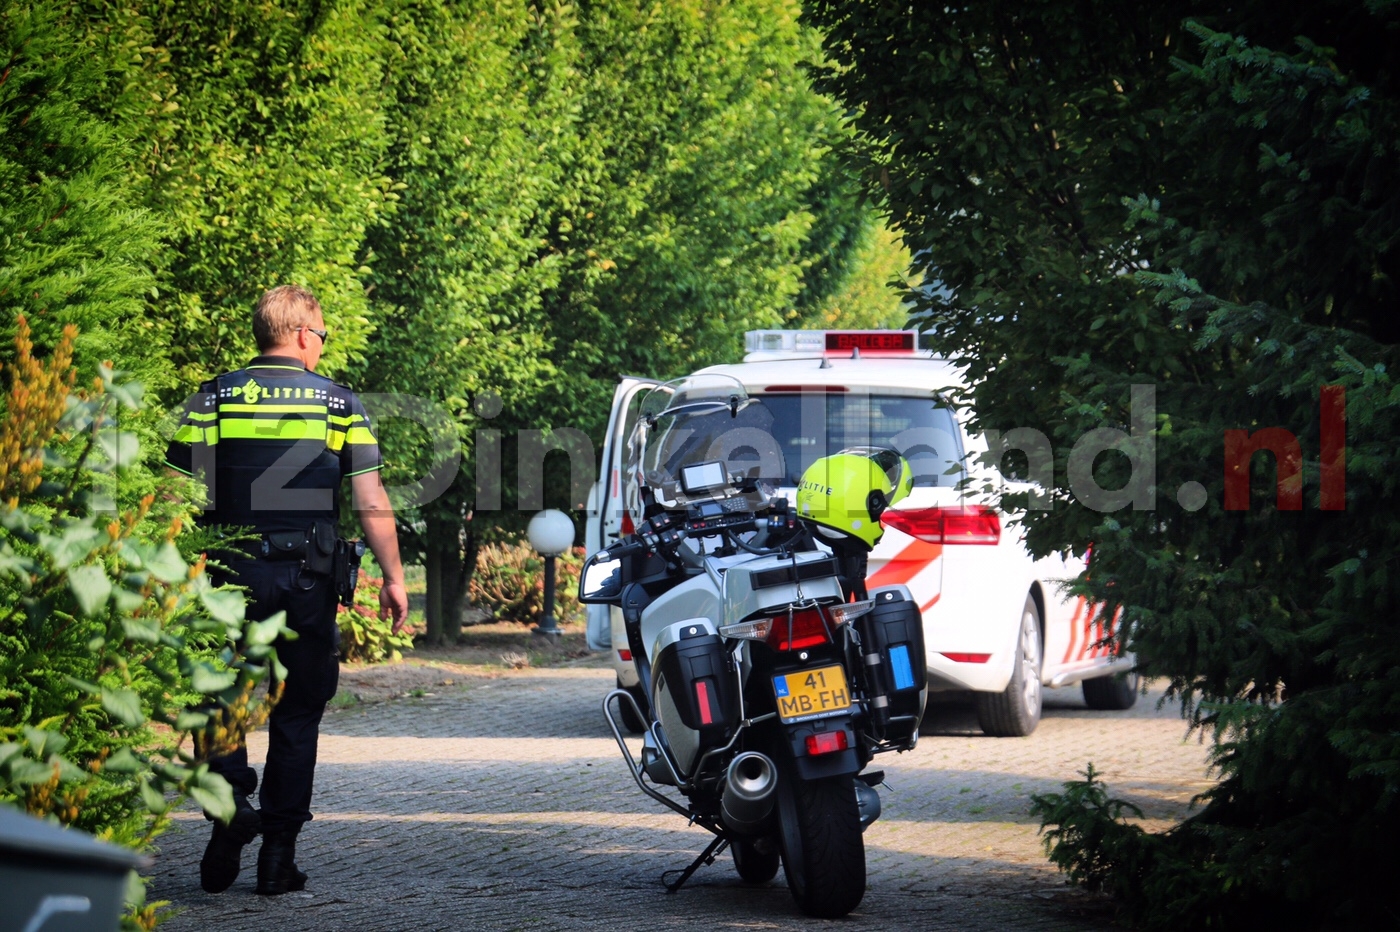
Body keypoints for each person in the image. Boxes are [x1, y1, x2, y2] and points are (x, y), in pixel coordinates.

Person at [164, 284, 409, 895]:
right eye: (323, 335)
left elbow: (172, 497)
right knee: (297, 713)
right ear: (302, 334)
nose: (323, 347)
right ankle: (277, 858)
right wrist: (396, 578)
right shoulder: (338, 405)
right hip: (307, 580)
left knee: (219, 698)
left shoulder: (211, 398)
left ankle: (229, 812)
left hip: (225, 579)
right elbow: (370, 498)